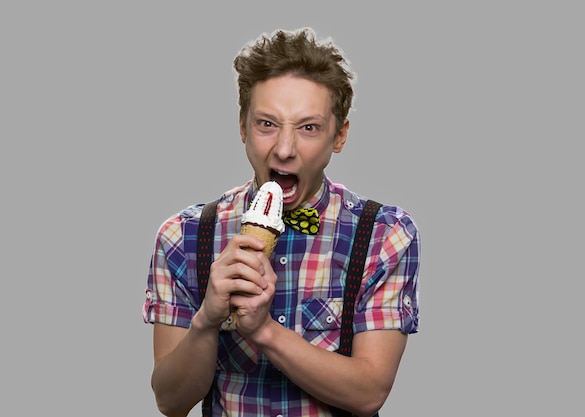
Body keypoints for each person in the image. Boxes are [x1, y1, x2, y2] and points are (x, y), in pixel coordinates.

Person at [142, 27, 421, 417]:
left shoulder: (383, 235)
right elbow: (170, 402)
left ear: (339, 136)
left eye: (308, 128)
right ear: (242, 126)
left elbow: (369, 393)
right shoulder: (184, 236)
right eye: (266, 124)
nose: (284, 150)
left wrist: (263, 330)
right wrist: (207, 320)